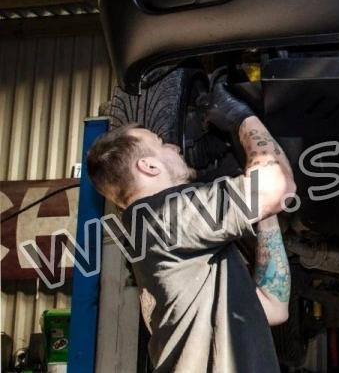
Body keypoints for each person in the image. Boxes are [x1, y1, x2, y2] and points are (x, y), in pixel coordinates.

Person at [87, 80, 296, 372]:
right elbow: (279, 188)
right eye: (162, 144)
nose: (174, 146)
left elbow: (273, 307)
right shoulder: (165, 216)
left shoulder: (152, 237)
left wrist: (263, 213)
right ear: (149, 166)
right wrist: (241, 118)